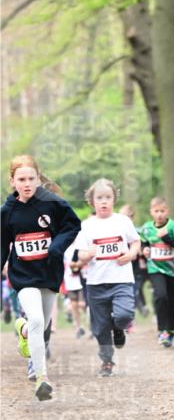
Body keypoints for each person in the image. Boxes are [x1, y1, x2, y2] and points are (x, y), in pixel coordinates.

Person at [0, 154, 80, 400]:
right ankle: (42, 378)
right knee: (36, 318)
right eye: (21, 179)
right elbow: (3, 245)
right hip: (23, 275)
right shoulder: (7, 211)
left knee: (41, 325)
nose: (26, 184)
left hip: (49, 272)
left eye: (31, 179)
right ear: (12, 181)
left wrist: (56, 247)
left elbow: (73, 225)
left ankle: (23, 331)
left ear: (38, 179)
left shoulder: (52, 203)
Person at [75, 179, 140, 376]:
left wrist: (131, 254)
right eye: (99, 198)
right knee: (100, 327)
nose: (104, 202)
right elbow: (80, 255)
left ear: (114, 200)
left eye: (108, 198)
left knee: (124, 315)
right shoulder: (86, 226)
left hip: (121, 279)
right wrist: (88, 254)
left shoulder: (123, 221)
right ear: (92, 201)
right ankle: (106, 361)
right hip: (96, 283)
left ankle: (119, 328)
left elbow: (136, 242)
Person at [139, 197, 174, 347]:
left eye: (162, 211)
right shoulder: (147, 228)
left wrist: (166, 238)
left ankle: (171, 330)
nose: (159, 214)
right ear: (151, 212)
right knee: (161, 296)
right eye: (156, 211)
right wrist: (144, 249)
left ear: (168, 211)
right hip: (155, 268)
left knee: (172, 300)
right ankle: (162, 331)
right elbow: (143, 242)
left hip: (172, 270)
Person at [63, 241, 86, 337]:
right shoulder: (65, 248)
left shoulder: (81, 246)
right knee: (74, 305)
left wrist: (77, 265)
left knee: (82, 304)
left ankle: (90, 325)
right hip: (70, 281)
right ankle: (78, 327)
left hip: (81, 280)